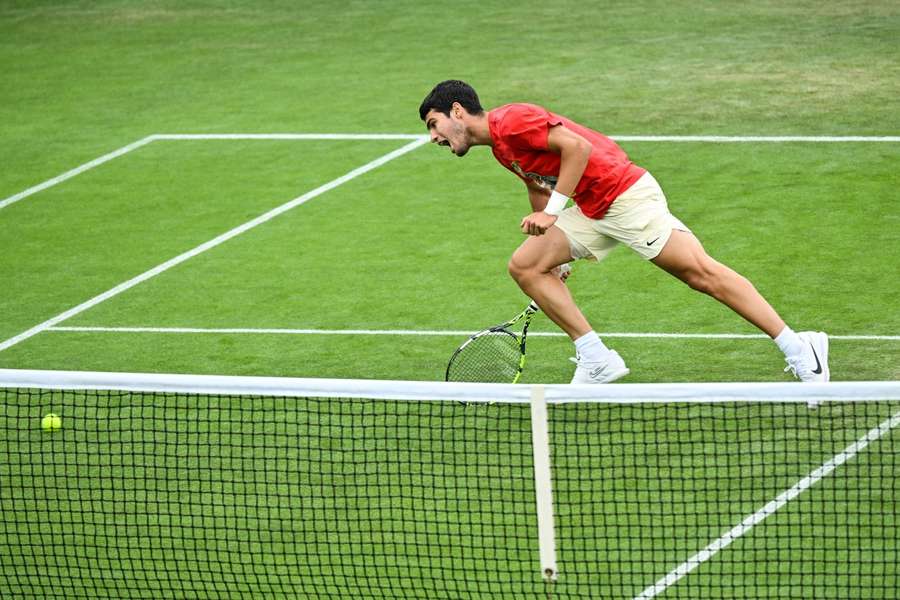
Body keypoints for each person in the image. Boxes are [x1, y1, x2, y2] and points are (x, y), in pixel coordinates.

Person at [418, 79, 830, 384]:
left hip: (623, 196)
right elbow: (536, 185)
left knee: (700, 274)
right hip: (590, 206)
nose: (433, 137)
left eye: (434, 124)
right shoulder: (501, 149)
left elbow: (577, 147)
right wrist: (548, 241)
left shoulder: (512, 120)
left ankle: (801, 348)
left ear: (457, 111)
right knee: (527, 266)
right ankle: (595, 356)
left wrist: (554, 214)